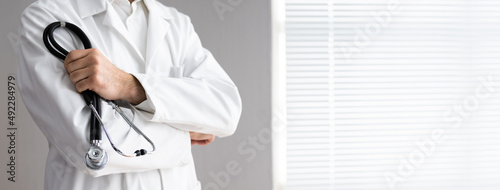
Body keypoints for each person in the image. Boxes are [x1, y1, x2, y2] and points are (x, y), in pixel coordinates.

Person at [17, 0, 242, 189]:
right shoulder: (47, 16)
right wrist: (184, 131)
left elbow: (226, 111)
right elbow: (93, 147)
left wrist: (129, 85)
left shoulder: (176, 23)